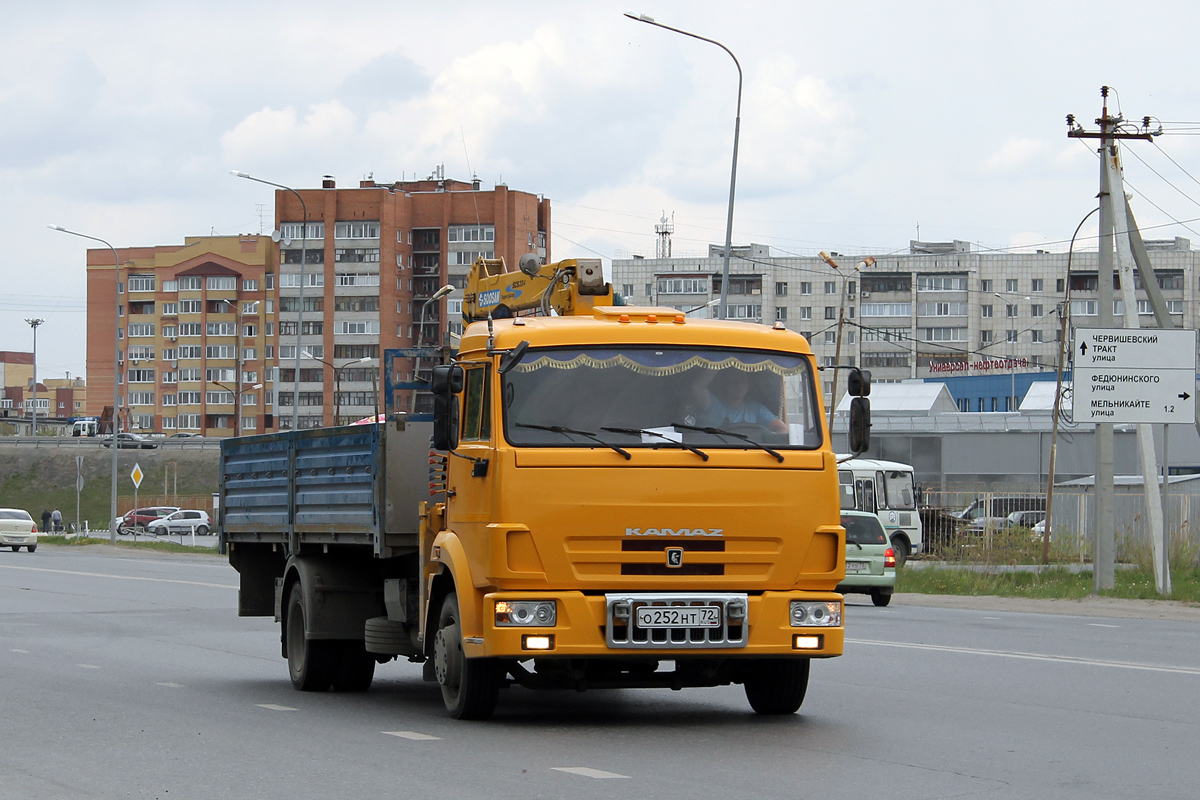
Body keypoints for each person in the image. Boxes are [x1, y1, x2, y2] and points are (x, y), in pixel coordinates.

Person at [691, 369, 788, 434]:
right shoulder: (712, 404)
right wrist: (716, 362)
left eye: (743, 381)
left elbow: (782, 429)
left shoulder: (755, 409)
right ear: (726, 384)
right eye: (735, 381)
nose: (739, 386)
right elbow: (697, 388)